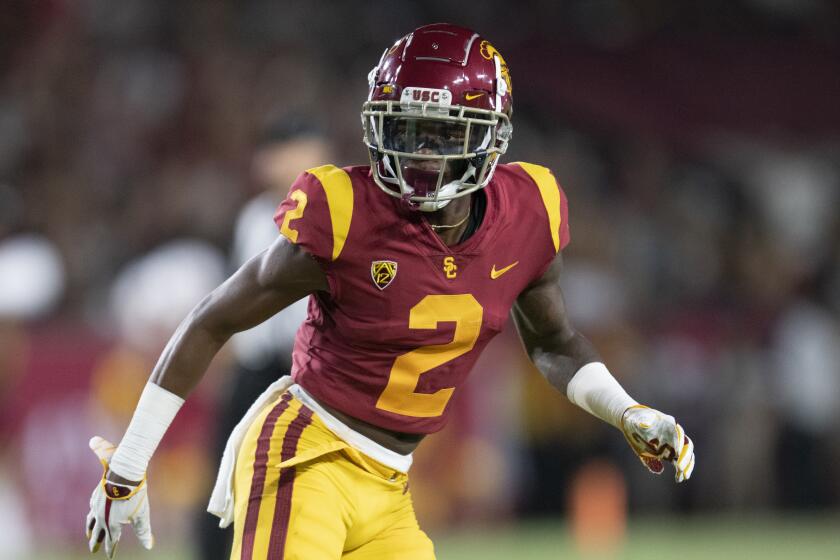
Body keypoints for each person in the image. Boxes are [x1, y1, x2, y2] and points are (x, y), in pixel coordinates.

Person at [85, 23, 695, 560]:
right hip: (305, 458)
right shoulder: (346, 211)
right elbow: (212, 319)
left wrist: (626, 410)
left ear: (491, 136)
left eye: (440, 133)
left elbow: (554, 341)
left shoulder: (529, 211)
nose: (418, 153)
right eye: (404, 130)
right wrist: (128, 466)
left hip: (389, 485)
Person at [194, 120, 333, 559]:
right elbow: (232, 302)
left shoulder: (333, 215)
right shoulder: (255, 217)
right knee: (228, 467)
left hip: (310, 370)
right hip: (256, 368)